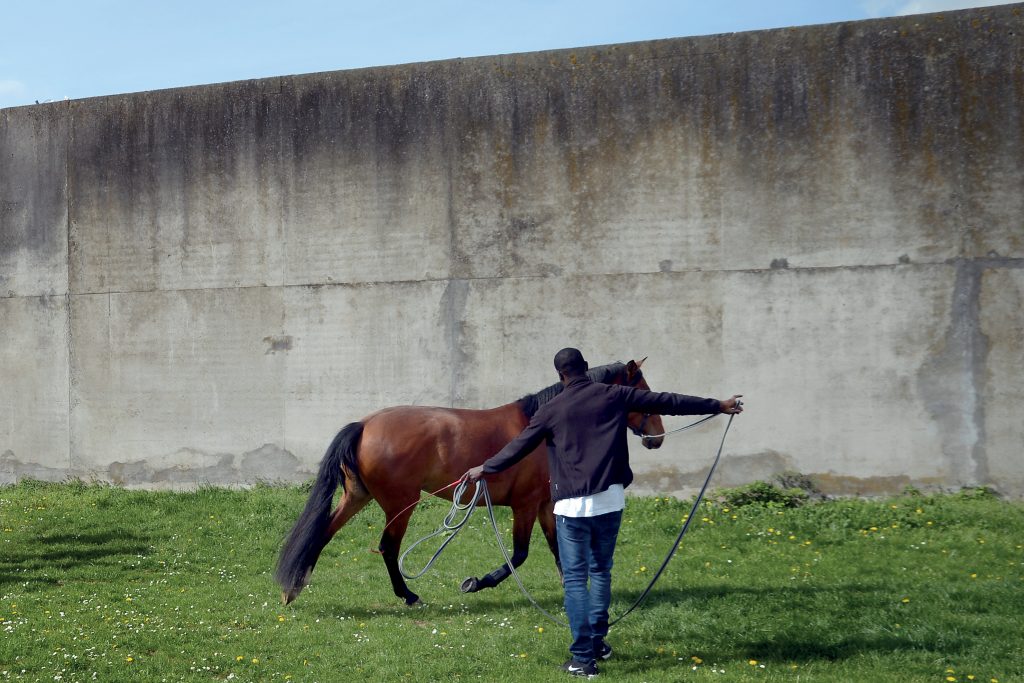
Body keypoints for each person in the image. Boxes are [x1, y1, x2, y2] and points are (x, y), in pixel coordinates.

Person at [466, 348, 743, 678]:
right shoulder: (616, 395)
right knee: (600, 572)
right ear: (586, 368)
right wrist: (719, 405)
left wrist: (485, 468)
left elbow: (518, 446)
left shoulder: (550, 410)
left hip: (571, 508)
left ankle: (583, 658)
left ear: (560, 375)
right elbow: (669, 401)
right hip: (610, 502)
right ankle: (596, 644)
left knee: (575, 580)